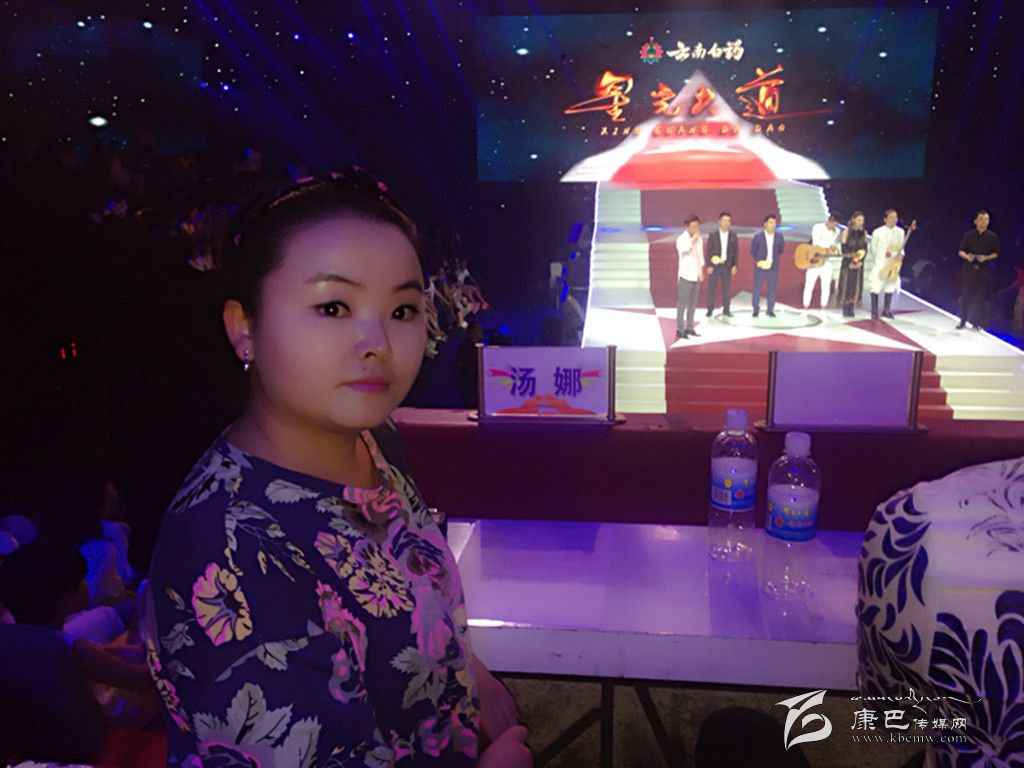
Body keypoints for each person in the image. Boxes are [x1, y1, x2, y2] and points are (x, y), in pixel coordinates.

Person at [144, 171, 531, 767]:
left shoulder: (371, 442)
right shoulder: (229, 545)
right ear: (244, 328)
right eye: (333, 307)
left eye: (402, 309)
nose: (377, 342)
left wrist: (464, 672)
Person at [956, 210, 1000, 331]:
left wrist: (985, 257)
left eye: (986, 219)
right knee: (965, 294)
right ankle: (962, 320)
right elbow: (960, 250)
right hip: (969, 268)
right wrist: (967, 257)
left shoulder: (992, 236)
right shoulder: (969, 235)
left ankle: (976, 323)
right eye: (981, 219)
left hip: (983, 269)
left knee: (980, 296)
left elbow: (996, 253)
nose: (983, 222)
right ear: (975, 221)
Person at [867, 209, 905, 319]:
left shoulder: (900, 232)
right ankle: (874, 311)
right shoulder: (877, 232)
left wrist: (900, 255)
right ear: (885, 219)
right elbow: (873, 248)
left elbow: (901, 246)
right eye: (891, 217)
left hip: (893, 263)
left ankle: (886, 310)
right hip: (880, 262)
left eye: (895, 217)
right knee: (876, 286)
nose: (894, 219)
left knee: (890, 286)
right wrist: (881, 257)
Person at [675, 214, 705, 338]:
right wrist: (693, 240)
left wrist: (701, 271)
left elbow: (700, 256)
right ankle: (680, 329)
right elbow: (685, 249)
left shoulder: (700, 239)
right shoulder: (681, 239)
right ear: (686, 227)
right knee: (682, 303)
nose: (695, 229)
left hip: (696, 274)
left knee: (693, 303)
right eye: (693, 226)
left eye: (697, 226)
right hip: (685, 275)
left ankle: (690, 327)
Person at [804, 214, 840, 312]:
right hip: (814, 260)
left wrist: (833, 248)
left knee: (826, 286)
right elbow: (816, 242)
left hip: (827, 261)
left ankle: (823, 307)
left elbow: (835, 244)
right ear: (829, 220)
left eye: (836, 225)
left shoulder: (836, 231)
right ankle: (806, 306)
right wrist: (829, 246)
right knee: (809, 284)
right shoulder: (817, 227)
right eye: (833, 224)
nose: (834, 226)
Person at [705, 212, 738, 318]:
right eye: (724, 221)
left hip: (727, 266)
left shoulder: (733, 236)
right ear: (719, 222)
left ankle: (726, 310)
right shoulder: (713, 235)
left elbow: (736, 252)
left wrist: (735, 265)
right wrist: (708, 265)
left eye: (728, 221)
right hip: (715, 266)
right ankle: (710, 310)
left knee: (726, 290)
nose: (726, 223)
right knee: (711, 289)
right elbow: (708, 252)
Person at [751, 214, 785, 318]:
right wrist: (759, 261)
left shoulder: (779, 237)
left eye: (774, 223)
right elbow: (753, 251)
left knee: (772, 289)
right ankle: (755, 309)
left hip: (773, 266)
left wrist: (771, 261)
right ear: (765, 224)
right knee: (757, 288)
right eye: (770, 222)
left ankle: (770, 310)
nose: (773, 225)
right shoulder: (758, 237)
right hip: (760, 266)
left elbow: (781, 250)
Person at [837, 211, 868, 318]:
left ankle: (851, 306)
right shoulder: (846, 233)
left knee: (856, 285)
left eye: (862, 220)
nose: (861, 222)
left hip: (858, 262)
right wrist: (851, 261)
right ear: (853, 219)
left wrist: (859, 260)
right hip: (848, 262)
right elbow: (844, 249)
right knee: (847, 284)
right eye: (859, 220)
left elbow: (864, 249)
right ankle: (845, 306)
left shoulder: (863, 233)